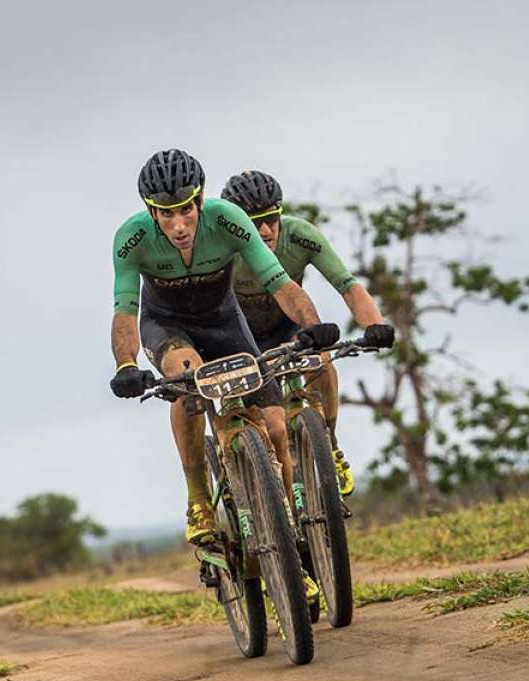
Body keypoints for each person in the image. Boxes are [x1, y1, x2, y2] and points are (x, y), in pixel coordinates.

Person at [109, 149, 339, 548]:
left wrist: (312, 326)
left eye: (186, 210)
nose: (179, 225)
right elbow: (126, 309)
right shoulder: (131, 239)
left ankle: (291, 533)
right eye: (167, 214)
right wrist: (126, 363)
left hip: (225, 321)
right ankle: (198, 499)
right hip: (168, 325)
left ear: (199, 200)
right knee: (187, 376)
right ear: (151, 211)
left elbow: (279, 281)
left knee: (276, 426)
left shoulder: (227, 221)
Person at [221, 170, 395, 496]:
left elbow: (347, 284)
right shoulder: (224, 250)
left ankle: (328, 443)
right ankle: (233, 475)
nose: (264, 230)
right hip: (238, 336)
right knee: (243, 413)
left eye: (271, 219)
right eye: (253, 222)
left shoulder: (300, 235)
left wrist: (374, 324)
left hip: (286, 324)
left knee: (322, 360)